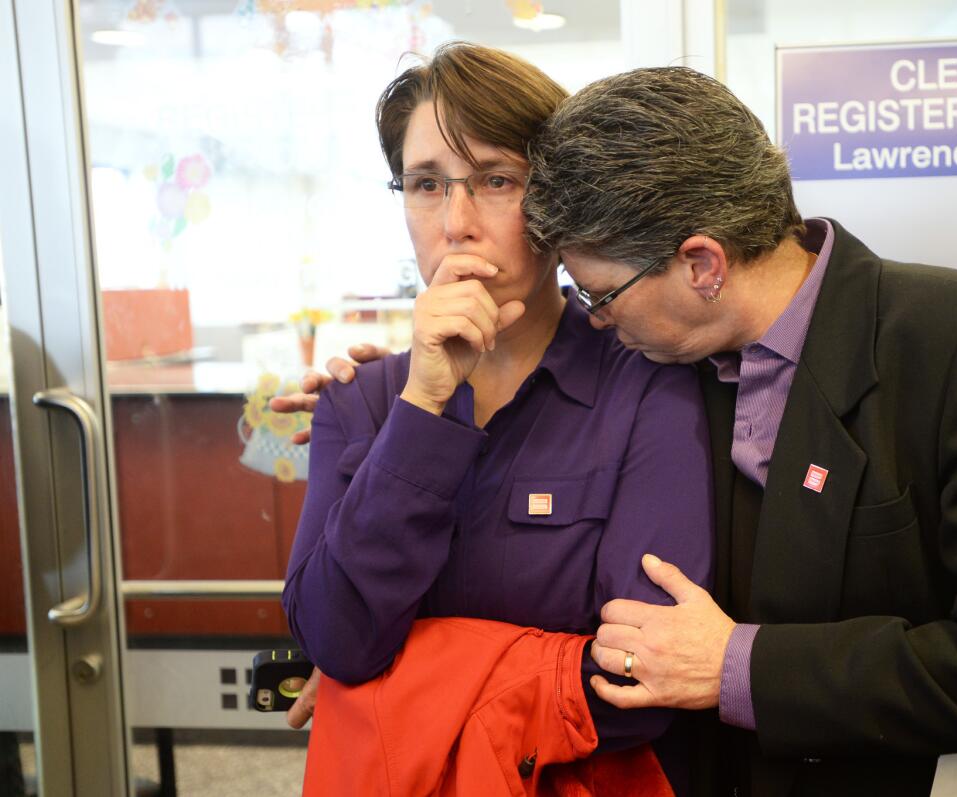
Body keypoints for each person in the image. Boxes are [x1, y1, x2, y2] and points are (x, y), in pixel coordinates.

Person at [302, 64, 957, 795]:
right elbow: (350, 620)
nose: (597, 317)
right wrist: (402, 406)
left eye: (602, 293)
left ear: (704, 266)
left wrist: (735, 666)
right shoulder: (678, 354)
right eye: (425, 184)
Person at [279, 44, 713, 792]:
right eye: (425, 184)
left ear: (555, 201)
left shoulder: (646, 383)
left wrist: (396, 691)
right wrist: (423, 406)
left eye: (497, 180)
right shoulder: (363, 397)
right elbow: (336, 637)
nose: (456, 222)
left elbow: (640, 677)